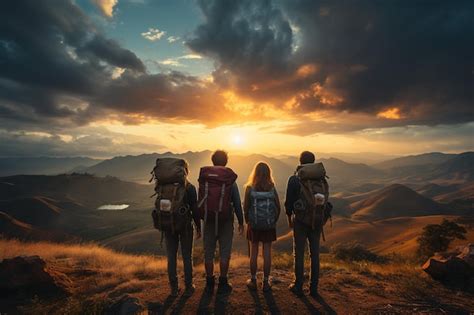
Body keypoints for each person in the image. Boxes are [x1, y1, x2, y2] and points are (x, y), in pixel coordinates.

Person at [153, 159, 201, 297]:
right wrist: (198, 227)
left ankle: (174, 289)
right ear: (184, 170)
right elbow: (195, 210)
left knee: (171, 257)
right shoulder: (189, 187)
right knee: (187, 257)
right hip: (185, 227)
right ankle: (189, 286)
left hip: (168, 226)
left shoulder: (162, 187)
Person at [200, 150, 244, 294]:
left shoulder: (206, 178)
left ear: (213, 161)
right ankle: (223, 282)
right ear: (226, 161)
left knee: (209, 253)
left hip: (208, 220)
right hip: (226, 220)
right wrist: (241, 222)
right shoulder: (229, 180)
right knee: (225, 252)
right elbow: (237, 203)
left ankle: (209, 282)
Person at [285, 151, 328, 297]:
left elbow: (289, 201)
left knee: (299, 252)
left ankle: (298, 285)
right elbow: (325, 199)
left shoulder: (295, 179)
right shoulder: (321, 179)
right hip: (317, 220)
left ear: (300, 162)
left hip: (301, 220)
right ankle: (314, 288)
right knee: (314, 254)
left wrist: (289, 215)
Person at [243, 162, 281, 292]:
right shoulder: (272, 187)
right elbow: (278, 207)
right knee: (267, 252)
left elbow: (246, 208)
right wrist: (272, 221)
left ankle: (253, 280)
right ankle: (265, 282)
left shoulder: (249, 188)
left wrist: (249, 221)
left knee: (253, 252)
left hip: (254, 225)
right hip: (269, 225)